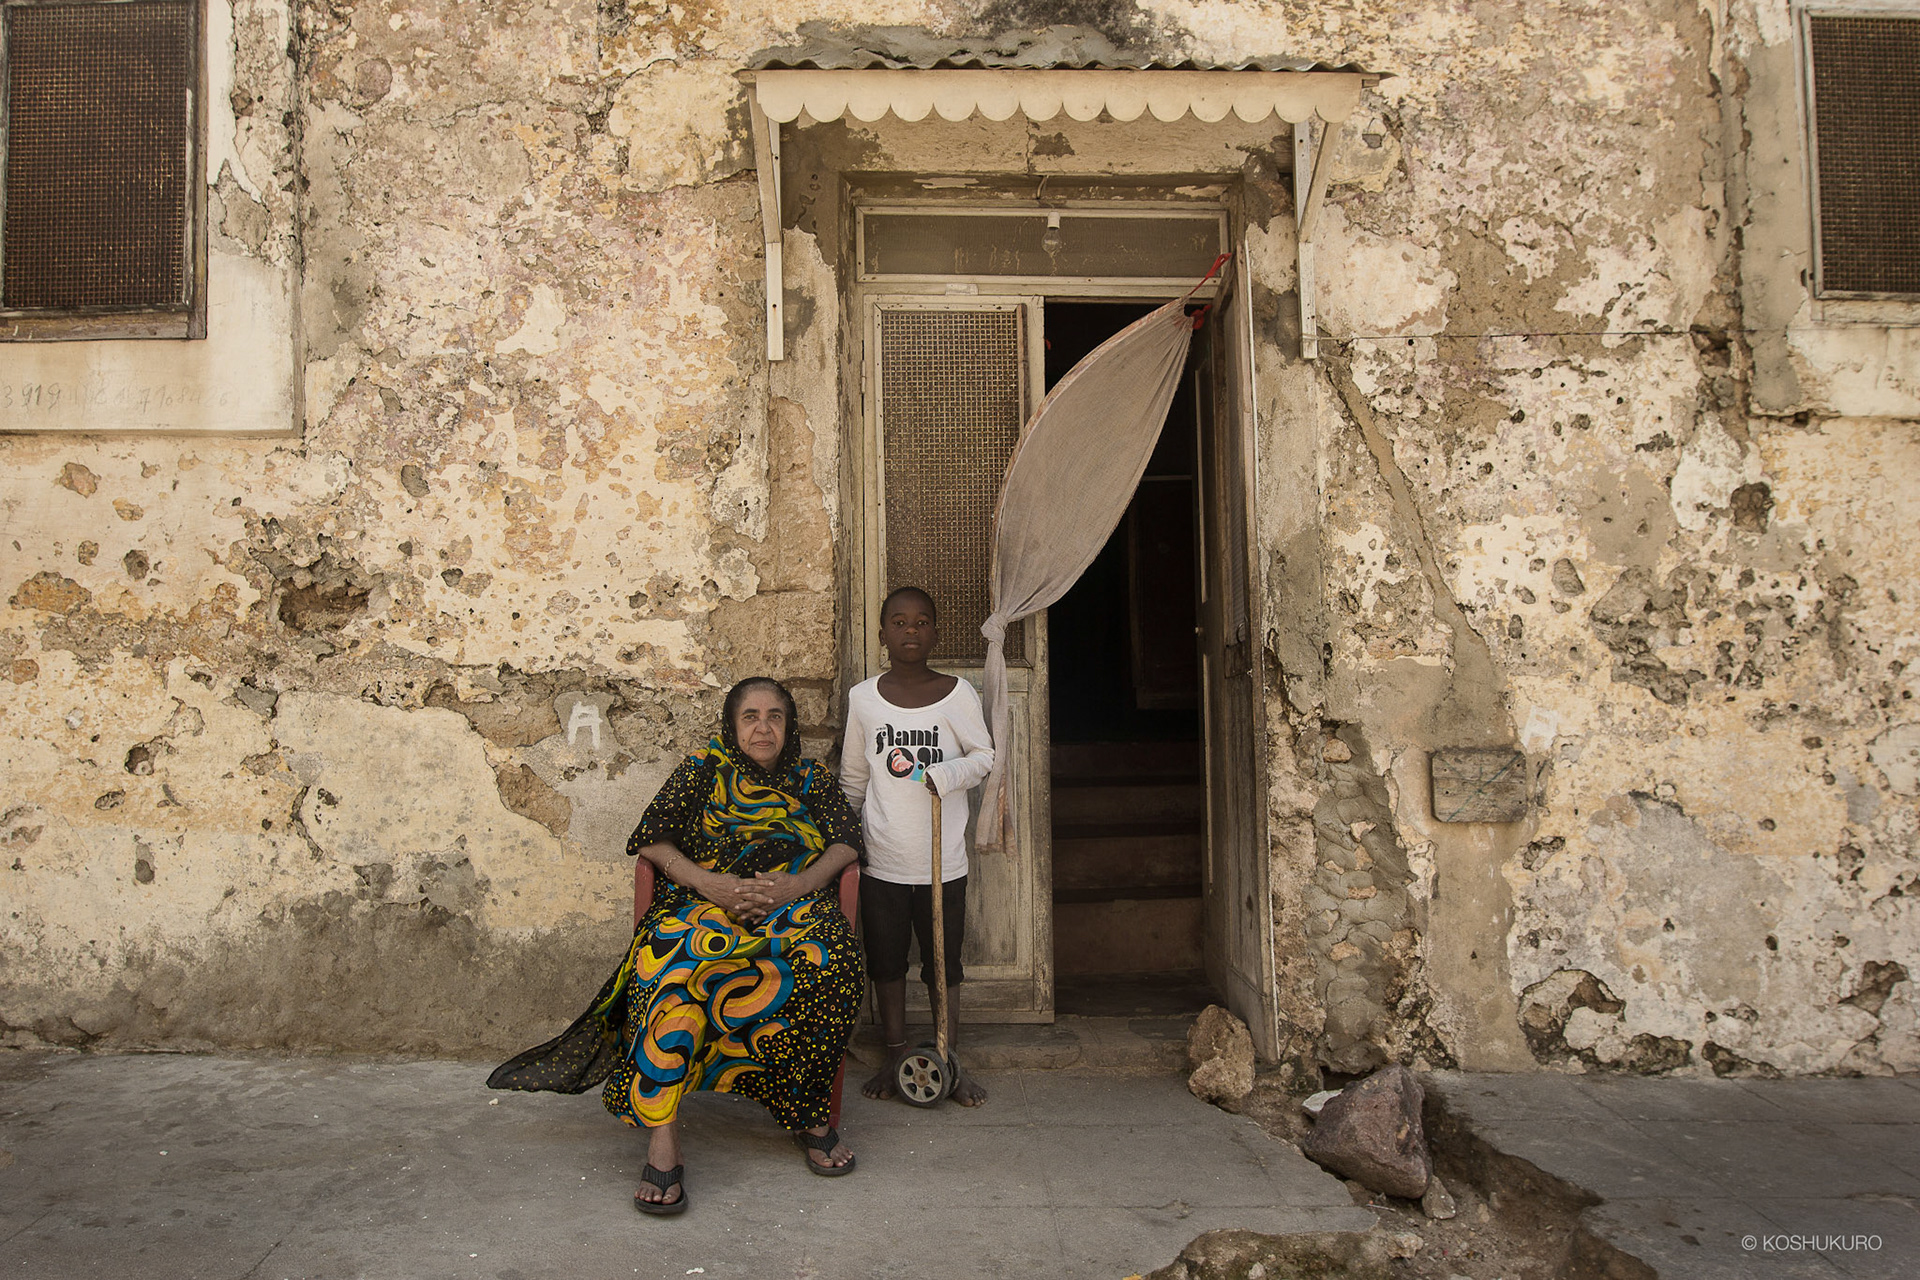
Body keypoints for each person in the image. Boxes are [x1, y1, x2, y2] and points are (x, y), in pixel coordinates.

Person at [488, 676, 865, 1215]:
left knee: (833, 963)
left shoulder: (811, 779)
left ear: (789, 726)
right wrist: (710, 884)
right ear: (732, 726)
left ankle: (808, 1114)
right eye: (751, 717)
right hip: (704, 906)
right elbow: (650, 839)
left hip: (794, 909)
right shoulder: (702, 771)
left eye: (775, 716)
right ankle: (663, 1137)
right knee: (670, 967)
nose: (763, 727)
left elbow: (847, 841)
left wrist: (796, 886)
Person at [840, 586, 995, 1106]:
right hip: (882, 859)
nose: (911, 631)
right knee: (885, 962)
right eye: (899, 622)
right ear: (882, 633)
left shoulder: (958, 694)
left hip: (941, 863)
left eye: (922, 621)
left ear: (936, 631)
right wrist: (848, 842)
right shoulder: (863, 698)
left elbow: (983, 756)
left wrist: (946, 773)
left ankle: (947, 1058)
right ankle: (896, 1054)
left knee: (943, 964)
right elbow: (854, 779)